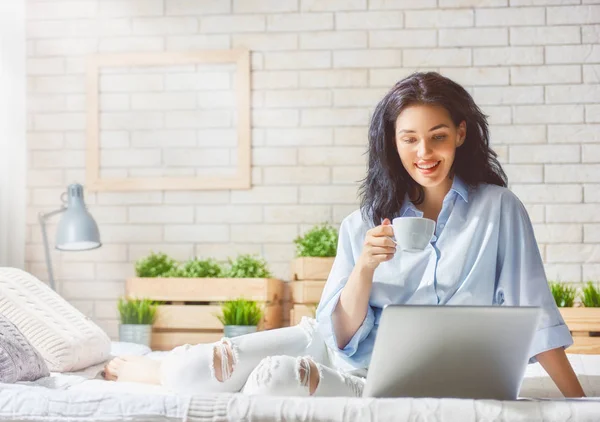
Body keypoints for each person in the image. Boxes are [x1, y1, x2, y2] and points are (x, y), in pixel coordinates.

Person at [103, 72, 585, 398]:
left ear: (461, 133)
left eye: (438, 135)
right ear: (392, 142)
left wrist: (579, 403)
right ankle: (142, 364)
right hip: (326, 345)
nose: (425, 152)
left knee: (277, 382)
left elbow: (536, 313)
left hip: (379, 377)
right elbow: (338, 332)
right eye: (409, 138)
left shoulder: (498, 210)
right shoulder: (363, 222)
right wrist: (365, 267)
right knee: (194, 373)